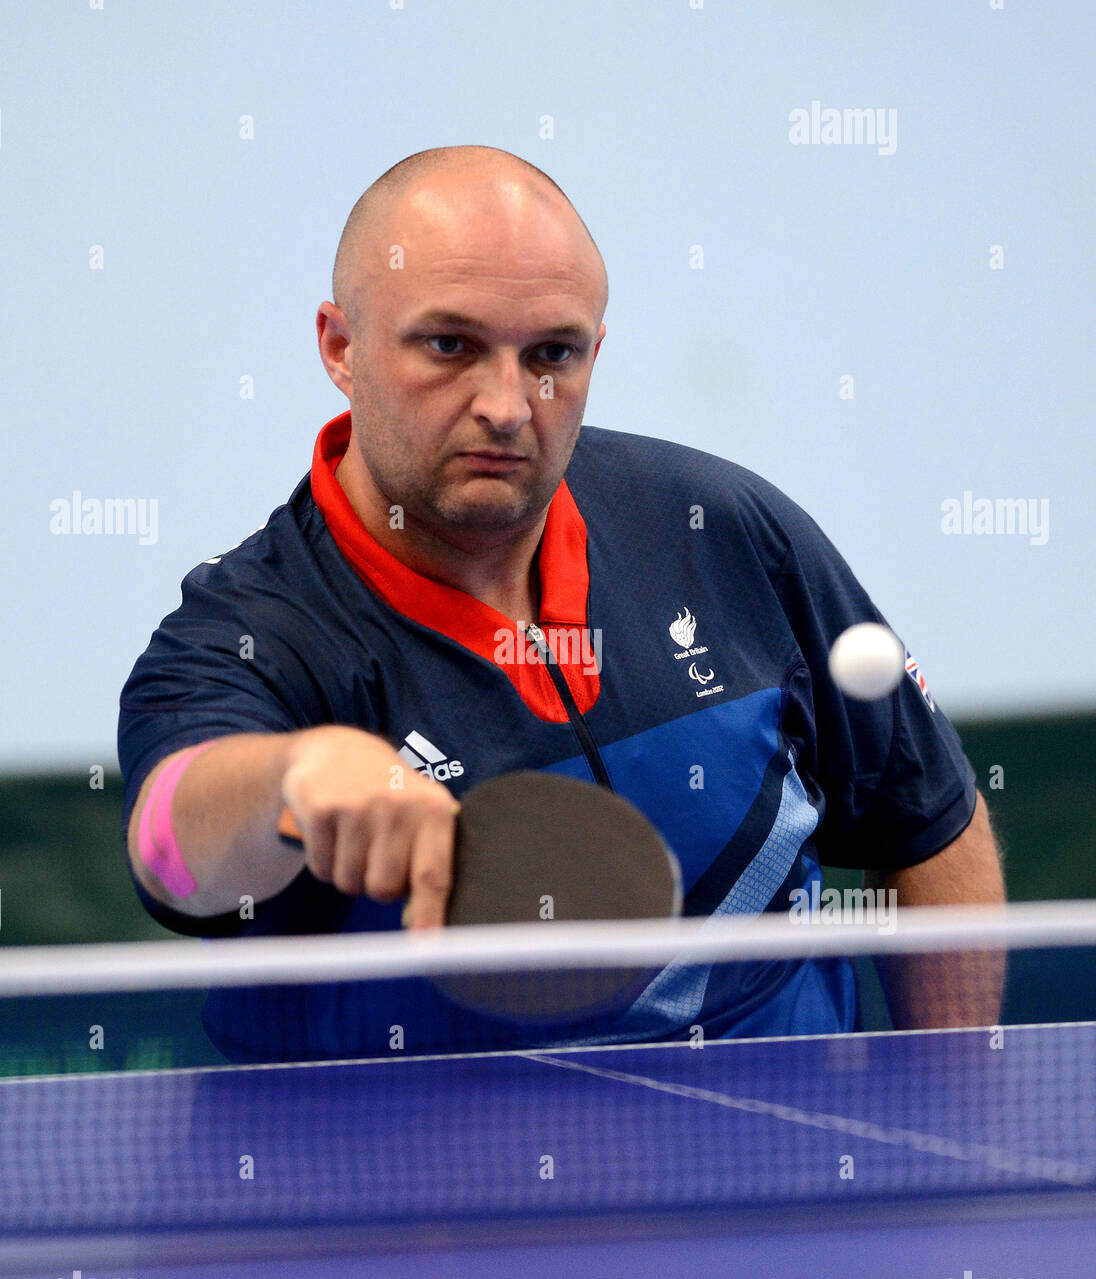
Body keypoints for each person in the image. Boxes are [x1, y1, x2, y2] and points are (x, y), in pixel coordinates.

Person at [119, 145, 1006, 1062]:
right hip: (412, 1193)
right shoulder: (249, 631)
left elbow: (926, 817)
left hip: (789, 1173)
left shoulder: (723, 527)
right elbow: (171, 849)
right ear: (341, 348)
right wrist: (290, 778)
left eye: (552, 353)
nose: (507, 405)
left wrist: (947, 1131)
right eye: (450, 345)